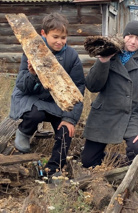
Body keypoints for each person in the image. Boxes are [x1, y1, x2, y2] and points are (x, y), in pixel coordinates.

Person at [10, 13, 85, 177]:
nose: (60, 41)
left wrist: (69, 118)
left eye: (63, 37)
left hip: (57, 102)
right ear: (43, 34)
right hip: (32, 97)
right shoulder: (31, 50)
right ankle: (24, 132)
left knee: (66, 131)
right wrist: (32, 74)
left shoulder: (71, 56)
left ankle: (53, 170)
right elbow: (23, 86)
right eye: (55, 37)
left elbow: (78, 87)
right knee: (35, 114)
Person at [81, 20, 138, 168]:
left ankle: (125, 171)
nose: (133, 41)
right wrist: (103, 61)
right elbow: (92, 86)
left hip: (130, 114)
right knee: (88, 161)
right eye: (130, 36)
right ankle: (109, 163)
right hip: (104, 112)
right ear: (123, 36)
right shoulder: (109, 53)